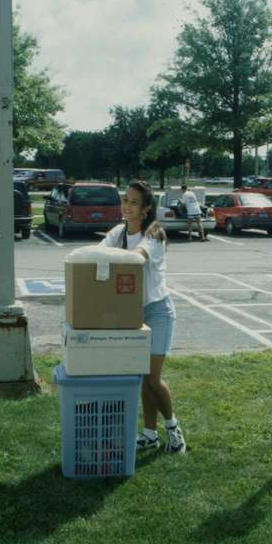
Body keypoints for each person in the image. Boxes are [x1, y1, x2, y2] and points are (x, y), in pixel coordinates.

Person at [101, 179, 186, 453]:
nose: (127, 206)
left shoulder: (154, 235)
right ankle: (150, 433)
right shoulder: (118, 233)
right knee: (142, 377)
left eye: (134, 202)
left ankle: (173, 429)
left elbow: (138, 257)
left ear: (146, 208)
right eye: (125, 200)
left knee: (153, 378)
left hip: (159, 312)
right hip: (133, 313)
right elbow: (97, 255)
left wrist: (112, 256)